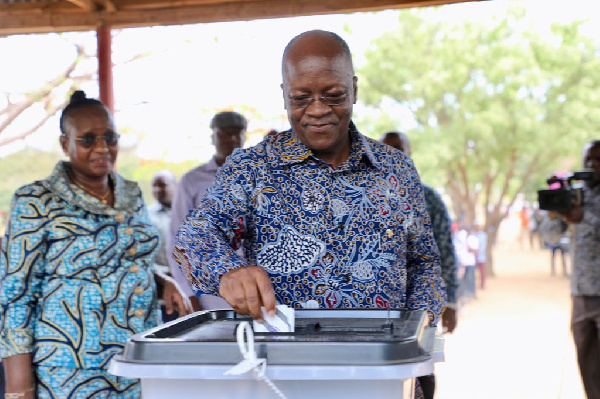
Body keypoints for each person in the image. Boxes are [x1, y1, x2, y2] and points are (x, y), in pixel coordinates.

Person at [173, 29, 445, 332]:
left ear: (354, 90)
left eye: (333, 95)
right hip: (284, 367)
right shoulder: (250, 168)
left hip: (384, 363)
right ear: (285, 96)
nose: (317, 110)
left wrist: (420, 331)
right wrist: (227, 271)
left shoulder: (397, 169)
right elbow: (194, 236)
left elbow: (424, 262)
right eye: (301, 98)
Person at [0, 91, 191, 399]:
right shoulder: (36, 200)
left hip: (138, 358)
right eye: (88, 139)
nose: (102, 148)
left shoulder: (130, 193)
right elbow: (15, 297)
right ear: (66, 144)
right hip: (72, 368)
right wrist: (19, 388)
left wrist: (160, 280)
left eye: (110, 138)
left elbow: (129, 257)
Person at [381, 131, 459, 399]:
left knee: (423, 373)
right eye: (387, 149)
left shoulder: (429, 198)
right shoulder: (368, 196)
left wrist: (451, 302)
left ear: (409, 155)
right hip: (381, 310)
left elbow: (445, 252)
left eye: (399, 149)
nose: (394, 154)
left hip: (420, 303)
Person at [167, 111, 247, 311]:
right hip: (211, 295)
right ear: (212, 137)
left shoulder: (260, 178)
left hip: (261, 288)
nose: (232, 139)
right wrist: (189, 294)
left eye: (237, 134)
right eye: (224, 134)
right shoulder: (192, 182)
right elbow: (178, 240)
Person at [558, 140, 600, 399]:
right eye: (588, 160)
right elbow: (551, 235)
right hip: (581, 294)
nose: (593, 165)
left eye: (598, 160)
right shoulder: (575, 195)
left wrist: (583, 218)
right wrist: (557, 212)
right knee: (588, 366)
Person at [148, 169, 190, 322]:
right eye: (154, 186)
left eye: (163, 185)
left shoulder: (189, 211)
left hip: (191, 287)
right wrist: (165, 276)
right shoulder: (146, 216)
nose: (158, 190)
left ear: (175, 186)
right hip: (164, 290)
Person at [538, 210, 570, 277]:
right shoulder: (547, 221)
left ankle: (564, 271)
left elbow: (566, 229)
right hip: (552, 241)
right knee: (553, 256)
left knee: (563, 256)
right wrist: (548, 239)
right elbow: (543, 230)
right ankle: (553, 270)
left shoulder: (560, 220)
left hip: (560, 240)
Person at [473, 222, 487, 289]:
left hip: (481, 256)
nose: (477, 227)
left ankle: (483, 284)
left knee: (482, 271)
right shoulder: (472, 235)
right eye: (476, 226)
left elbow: (483, 246)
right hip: (473, 256)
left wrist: (478, 252)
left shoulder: (483, 235)